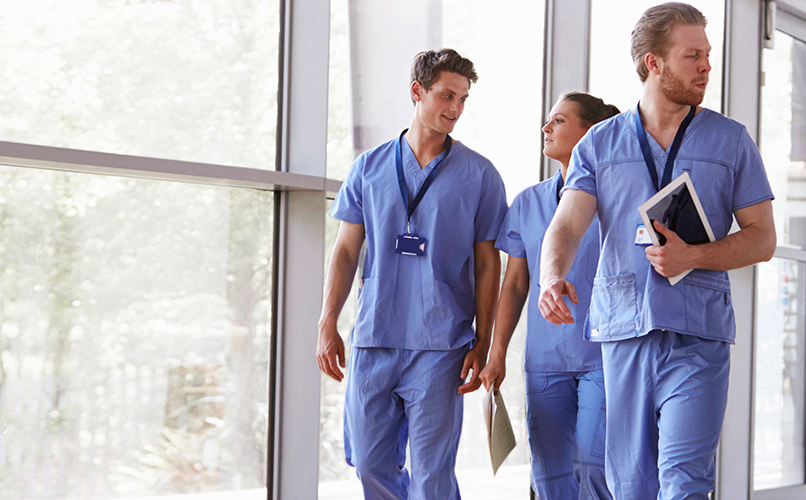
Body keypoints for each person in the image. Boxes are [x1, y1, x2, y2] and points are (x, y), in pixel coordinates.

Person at [534, 3, 776, 498]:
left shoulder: (731, 142)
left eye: (708, 54)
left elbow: (762, 238)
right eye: (693, 56)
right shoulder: (600, 143)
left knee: (684, 481)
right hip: (624, 330)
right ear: (654, 63)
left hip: (698, 334)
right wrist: (551, 274)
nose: (707, 66)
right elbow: (567, 223)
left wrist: (694, 257)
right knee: (631, 485)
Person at [318, 48, 507, 500]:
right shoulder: (369, 167)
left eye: (462, 99)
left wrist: (483, 340)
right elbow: (346, 250)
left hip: (441, 345)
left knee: (432, 476)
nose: (455, 109)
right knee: (369, 464)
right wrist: (328, 321)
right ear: (417, 91)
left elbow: (487, 263)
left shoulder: (480, 175)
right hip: (375, 337)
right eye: (446, 96)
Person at [480, 92, 623, 500]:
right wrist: (497, 354)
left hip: (605, 356)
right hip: (544, 363)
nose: (546, 128)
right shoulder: (527, 202)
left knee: (594, 468)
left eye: (558, 121)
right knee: (549, 480)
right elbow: (515, 284)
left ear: (590, 131)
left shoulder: (617, 200)